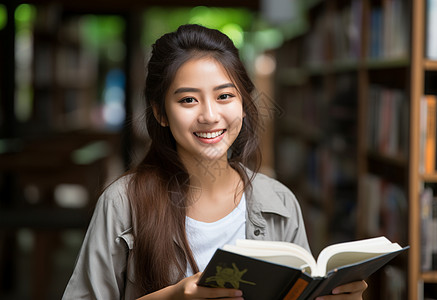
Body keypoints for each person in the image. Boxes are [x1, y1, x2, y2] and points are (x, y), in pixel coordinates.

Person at [62, 24, 367, 300]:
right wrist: (173, 298)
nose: (209, 116)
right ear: (160, 113)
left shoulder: (279, 203)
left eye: (224, 96)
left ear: (244, 104)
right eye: (188, 100)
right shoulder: (121, 203)